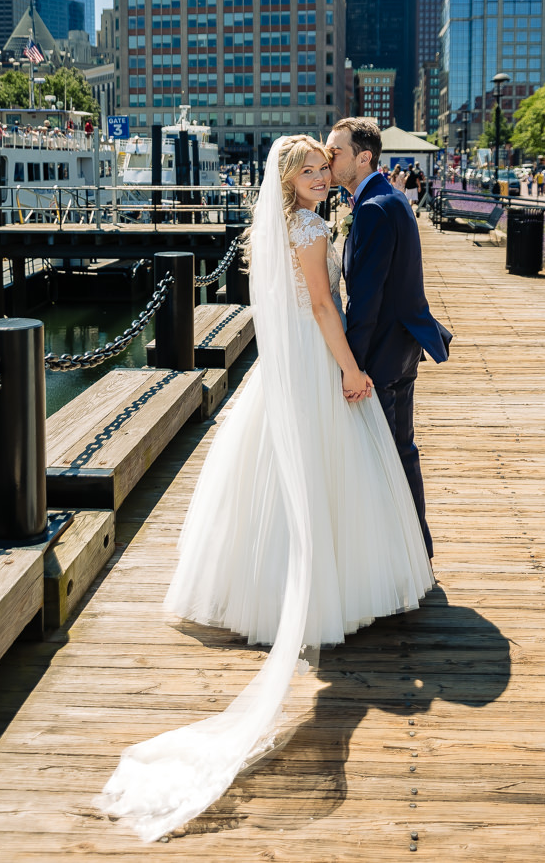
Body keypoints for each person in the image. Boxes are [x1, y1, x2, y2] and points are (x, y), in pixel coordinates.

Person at [97, 134, 433, 841]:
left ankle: (267, 587)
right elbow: (320, 309)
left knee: (282, 477)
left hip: (284, 372)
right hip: (316, 364)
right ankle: (317, 595)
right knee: (321, 474)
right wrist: (349, 369)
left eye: (323, 167)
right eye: (309, 170)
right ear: (289, 180)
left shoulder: (282, 224)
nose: (320, 177)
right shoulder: (309, 227)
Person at [326, 117, 451, 559]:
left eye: (335, 150)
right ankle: (411, 548)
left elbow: (367, 301)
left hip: (381, 356)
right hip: (398, 349)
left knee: (392, 455)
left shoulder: (375, 208)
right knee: (400, 450)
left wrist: (351, 368)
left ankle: (410, 553)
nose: (328, 157)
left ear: (364, 157)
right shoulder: (385, 198)